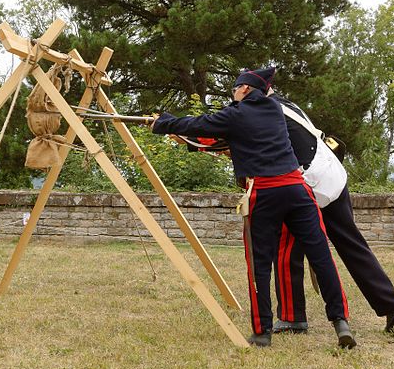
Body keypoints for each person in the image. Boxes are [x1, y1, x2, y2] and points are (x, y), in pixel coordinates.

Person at [152, 67, 356, 348]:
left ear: (245, 89)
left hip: (266, 193)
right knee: (321, 257)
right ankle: (340, 322)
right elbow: (234, 137)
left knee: (259, 264)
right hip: (299, 191)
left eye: (235, 89)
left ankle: (262, 332)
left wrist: (164, 123)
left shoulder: (236, 114)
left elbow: (200, 124)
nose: (232, 95)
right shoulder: (275, 109)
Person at [267, 90, 394, 334]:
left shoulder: (264, 109)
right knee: (352, 245)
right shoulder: (286, 104)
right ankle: (393, 305)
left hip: (310, 181)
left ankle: (293, 318)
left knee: (287, 246)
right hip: (332, 174)